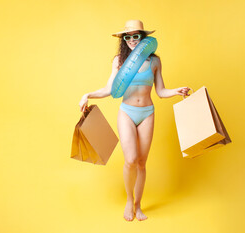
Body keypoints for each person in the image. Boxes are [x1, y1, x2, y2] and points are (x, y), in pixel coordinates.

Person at [79, 20, 189, 221]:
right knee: (130, 160)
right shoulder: (119, 61)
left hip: (147, 112)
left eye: (135, 36)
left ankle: (138, 206)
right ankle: (129, 200)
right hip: (127, 112)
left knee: (141, 162)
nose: (131, 40)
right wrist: (88, 95)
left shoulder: (154, 61)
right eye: (127, 37)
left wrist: (176, 91)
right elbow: (109, 90)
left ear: (143, 37)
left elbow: (161, 91)